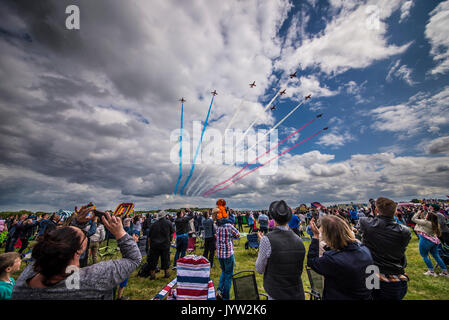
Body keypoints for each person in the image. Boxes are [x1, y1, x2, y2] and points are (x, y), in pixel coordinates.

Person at [12, 209, 142, 300]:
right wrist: (120, 233)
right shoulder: (91, 279)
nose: (83, 232)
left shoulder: (26, 278)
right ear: (78, 251)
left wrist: (77, 223)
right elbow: (133, 259)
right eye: (83, 235)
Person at [307, 215, 373, 300]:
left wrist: (316, 236)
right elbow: (373, 283)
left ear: (328, 236)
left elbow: (312, 261)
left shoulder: (332, 259)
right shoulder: (365, 251)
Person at [358, 197, 412, 300]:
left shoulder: (366, 223)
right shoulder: (405, 231)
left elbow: (369, 221)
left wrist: (373, 211)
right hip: (395, 273)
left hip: (372, 271)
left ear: (376, 210)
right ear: (395, 211)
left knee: (371, 296)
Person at [256, 200, 306, 300]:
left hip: (276, 293)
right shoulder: (299, 240)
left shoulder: (267, 240)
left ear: (273, 218)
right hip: (297, 293)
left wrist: (264, 243)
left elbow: (260, 269)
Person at [412, 209, 448, 277]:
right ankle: (445, 272)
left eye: (427, 215)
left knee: (424, 255)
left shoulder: (426, 222)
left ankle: (431, 271)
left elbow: (413, 219)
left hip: (425, 239)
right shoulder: (434, 223)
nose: (426, 215)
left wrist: (418, 212)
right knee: (436, 256)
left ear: (429, 217)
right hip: (434, 240)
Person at [216, 206, 240, 300]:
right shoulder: (229, 226)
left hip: (220, 254)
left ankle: (219, 291)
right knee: (229, 275)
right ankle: (225, 297)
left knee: (224, 272)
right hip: (228, 254)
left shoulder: (218, 226)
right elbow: (237, 234)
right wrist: (233, 237)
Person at [147, 211, 174, 279]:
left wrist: (149, 245)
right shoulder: (169, 223)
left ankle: (152, 275)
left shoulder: (153, 224)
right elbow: (171, 234)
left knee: (153, 260)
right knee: (166, 259)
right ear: (165, 216)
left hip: (154, 245)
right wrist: (170, 241)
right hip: (165, 244)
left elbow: (149, 237)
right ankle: (166, 273)